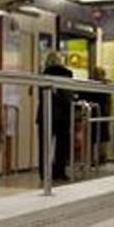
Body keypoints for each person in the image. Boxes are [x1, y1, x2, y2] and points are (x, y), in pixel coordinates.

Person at [36, 51, 73, 181]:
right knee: (61, 146)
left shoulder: (43, 75)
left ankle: (44, 172)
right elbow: (68, 95)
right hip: (63, 115)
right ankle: (60, 172)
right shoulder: (67, 73)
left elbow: (40, 96)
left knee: (44, 146)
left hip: (45, 113)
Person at [87, 66, 113, 164]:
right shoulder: (104, 85)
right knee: (99, 136)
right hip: (99, 112)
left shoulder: (95, 85)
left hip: (98, 112)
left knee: (99, 136)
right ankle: (100, 157)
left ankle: (99, 157)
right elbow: (108, 101)